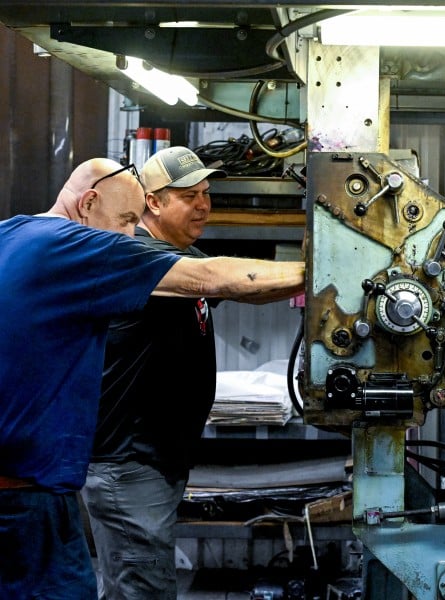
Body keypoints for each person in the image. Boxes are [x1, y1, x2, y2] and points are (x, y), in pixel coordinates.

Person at [0, 157, 304, 599]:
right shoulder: (81, 249)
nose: (129, 234)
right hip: (42, 488)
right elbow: (209, 278)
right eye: (126, 220)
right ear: (88, 203)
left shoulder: (12, 233)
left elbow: (227, 282)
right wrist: (325, 272)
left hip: (35, 481)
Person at [80, 146, 228, 599]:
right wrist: (316, 270)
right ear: (153, 202)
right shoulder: (140, 256)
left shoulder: (180, 255)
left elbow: (234, 283)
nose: (202, 205)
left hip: (151, 463)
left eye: (205, 193)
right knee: (142, 591)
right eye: (188, 195)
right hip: (129, 465)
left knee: (132, 588)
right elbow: (221, 278)